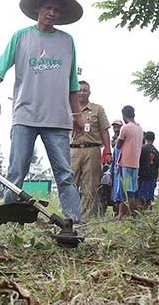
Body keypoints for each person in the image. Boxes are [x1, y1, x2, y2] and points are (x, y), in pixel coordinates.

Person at [0, 0, 85, 222]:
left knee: (65, 175)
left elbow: (73, 84)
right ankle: (8, 223)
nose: (52, 13)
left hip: (57, 119)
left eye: (57, 10)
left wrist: (78, 115)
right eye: (48, 8)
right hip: (25, 116)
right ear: (38, 10)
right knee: (15, 172)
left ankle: (75, 224)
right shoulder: (21, 37)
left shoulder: (66, 41)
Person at [69, 80, 111, 220]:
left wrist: (108, 152)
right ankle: (69, 216)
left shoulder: (97, 109)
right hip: (72, 151)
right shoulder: (68, 109)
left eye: (84, 90)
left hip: (92, 150)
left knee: (90, 185)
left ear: (89, 92)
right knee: (70, 183)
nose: (81, 93)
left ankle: (86, 218)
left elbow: (105, 131)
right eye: (79, 90)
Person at [114, 105, 143, 218]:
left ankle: (129, 214)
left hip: (125, 162)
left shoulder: (125, 127)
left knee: (125, 191)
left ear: (124, 115)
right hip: (135, 163)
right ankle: (126, 214)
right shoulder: (139, 128)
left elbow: (119, 144)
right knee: (133, 190)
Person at [137, 131, 159, 210]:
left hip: (142, 177)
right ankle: (148, 213)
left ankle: (141, 214)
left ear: (144, 138)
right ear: (154, 139)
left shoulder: (141, 149)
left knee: (140, 198)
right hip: (152, 177)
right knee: (149, 198)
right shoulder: (157, 152)